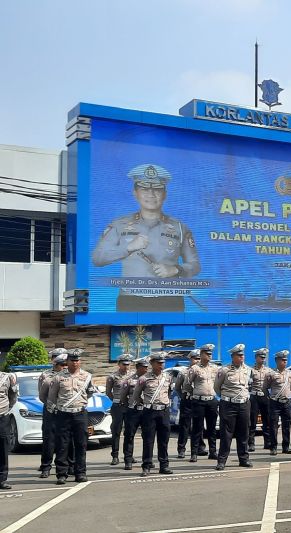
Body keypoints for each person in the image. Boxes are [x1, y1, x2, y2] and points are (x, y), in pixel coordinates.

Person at [90, 163, 201, 312]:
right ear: (135, 193)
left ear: (165, 194)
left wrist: (175, 270)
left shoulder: (180, 228)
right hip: (131, 300)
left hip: (170, 300)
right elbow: (97, 258)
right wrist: (128, 248)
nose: (151, 194)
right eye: (144, 188)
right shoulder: (119, 225)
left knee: (174, 337)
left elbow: (195, 265)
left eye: (157, 189)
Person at [46, 349, 97, 485]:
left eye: (77, 360)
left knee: (81, 443)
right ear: (67, 362)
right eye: (72, 360)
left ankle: (80, 472)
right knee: (62, 444)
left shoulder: (87, 376)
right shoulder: (58, 377)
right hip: (63, 414)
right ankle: (61, 474)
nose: (75, 363)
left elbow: (89, 393)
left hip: (80, 413)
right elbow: (52, 396)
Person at [132, 351, 173, 476]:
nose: (161, 365)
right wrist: (146, 403)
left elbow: (169, 392)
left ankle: (164, 465)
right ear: (152, 363)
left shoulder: (168, 377)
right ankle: (146, 466)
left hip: (164, 411)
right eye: (158, 363)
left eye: (163, 363)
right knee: (148, 440)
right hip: (149, 411)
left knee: (164, 439)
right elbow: (136, 395)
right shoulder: (144, 379)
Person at [214, 344, 252, 470]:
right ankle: (222, 461)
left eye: (242, 355)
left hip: (244, 404)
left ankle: (244, 459)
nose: (242, 357)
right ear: (233, 356)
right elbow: (217, 388)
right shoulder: (224, 370)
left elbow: (248, 386)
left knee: (244, 433)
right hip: (228, 404)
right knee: (226, 434)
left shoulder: (248, 369)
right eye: (239, 355)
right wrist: (229, 397)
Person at [38, 349, 68, 478]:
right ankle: (46, 467)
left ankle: (68, 466)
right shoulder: (45, 375)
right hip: (50, 410)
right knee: (49, 440)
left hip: (65, 410)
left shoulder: (70, 375)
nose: (64, 367)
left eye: (66, 364)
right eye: (62, 364)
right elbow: (42, 395)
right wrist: (52, 405)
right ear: (55, 363)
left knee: (66, 439)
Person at [186, 343, 219, 462]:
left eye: (210, 354)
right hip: (198, 401)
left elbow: (218, 383)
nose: (209, 355)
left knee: (212, 428)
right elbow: (187, 384)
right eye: (207, 353)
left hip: (212, 401)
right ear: (201, 354)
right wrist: (196, 394)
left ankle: (213, 451)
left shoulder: (214, 368)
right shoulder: (195, 368)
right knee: (197, 428)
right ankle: (194, 453)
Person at [173, 349, 205, 459]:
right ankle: (181, 449)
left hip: (199, 400)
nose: (197, 361)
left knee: (199, 425)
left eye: (199, 358)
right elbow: (177, 387)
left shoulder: (202, 371)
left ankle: (200, 448)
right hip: (187, 400)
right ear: (190, 359)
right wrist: (183, 396)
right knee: (185, 426)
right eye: (195, 358)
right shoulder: (183, 372)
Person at [120, 357, 149, 470]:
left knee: (148, 436)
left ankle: (147, 460)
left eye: (147, 367)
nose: (146, 369)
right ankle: (128, 460)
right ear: (138, 368)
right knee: (129, 435)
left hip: (146, 410)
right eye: (143, 367)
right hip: (133, 410)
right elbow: (123, 396)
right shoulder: (129, 380)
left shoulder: (149, 379)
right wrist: (129, 406)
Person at [105, 354, 133, 465]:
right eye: (124, 364)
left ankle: (128, 455)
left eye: (128, 364)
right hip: (118, 406)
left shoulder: (133, 376)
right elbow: (108, 392)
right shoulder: (112, 376)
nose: (126, 366)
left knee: (130, 431)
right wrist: (117, 400)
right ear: (119, 364)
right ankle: (115, 455)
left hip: (130, 406)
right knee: (116, 431)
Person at [265, 350, 291, 455]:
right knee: (273, 426)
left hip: (286, 402)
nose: (285, 362)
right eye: (282, 360)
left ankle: (286, 447)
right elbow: (265, 387)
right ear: (277, 361)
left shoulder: (289, 373)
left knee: (287, 425)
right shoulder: (271, 374)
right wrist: (270, 398)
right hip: (275, 402)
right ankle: (273, 447)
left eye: (285, 360)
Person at [248, 348, 272, 452]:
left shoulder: (268, 370)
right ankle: (251, 443)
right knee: (252, 421)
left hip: (265, 396)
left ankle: (267, 442)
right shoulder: (250, 370)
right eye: (261, 357)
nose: (263, 359)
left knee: (266, 420)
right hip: (254, 396)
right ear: (256, 358)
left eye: (264, 358)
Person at [0, 365, 18, 490]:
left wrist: (6, 409)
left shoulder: (7, 377)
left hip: (2, 416)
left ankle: (2, 479)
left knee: (2, 448)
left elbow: (13, 396)